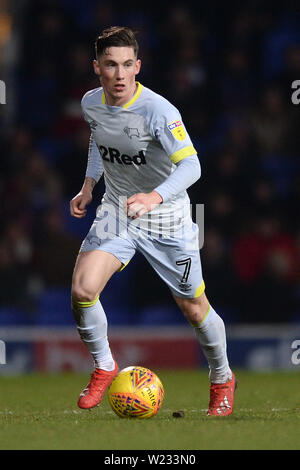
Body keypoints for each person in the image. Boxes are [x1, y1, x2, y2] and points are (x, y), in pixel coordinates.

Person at [70, 26, 236, 416]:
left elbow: (192, 165)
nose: (120, 74)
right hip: (117, 211)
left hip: (168, 220)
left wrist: (154, 195)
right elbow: (100, 139)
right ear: (98, 68)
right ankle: (105, 366)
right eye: (111, 65)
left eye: (128, 64)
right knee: (82, 289)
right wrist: (89, 184)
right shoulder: (91, 103)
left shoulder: (159, 110)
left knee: (194, 308)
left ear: (138, 65)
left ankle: (222, 379)